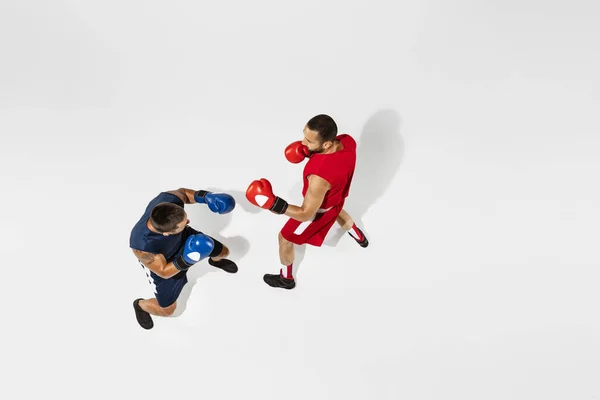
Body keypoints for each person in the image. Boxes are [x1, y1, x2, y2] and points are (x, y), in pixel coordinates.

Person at [246, 114, 368, 289]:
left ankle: (286, 279)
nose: (303, 143)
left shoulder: (319, 176)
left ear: (326, 144)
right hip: (336, 198)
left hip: (321, 210)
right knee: (338, 211)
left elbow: (306, 213)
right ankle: (360, 237)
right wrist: (310, 151)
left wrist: (274, 204)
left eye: (309, 141)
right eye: (304, 135)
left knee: (284, 238)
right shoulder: (347, 142)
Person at [130, 188, 237, 329]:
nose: (189, 221)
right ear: (167, 233)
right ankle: (140, 305)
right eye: (184, 223)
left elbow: (184, 193)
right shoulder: (142, 246)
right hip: (164, 263)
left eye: (185, 218)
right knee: (168, 310)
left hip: (185, 239)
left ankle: (215, 261)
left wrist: (206, 197)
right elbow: (163, 272)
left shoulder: (166, 200)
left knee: (223, 252)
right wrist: (189, 258)